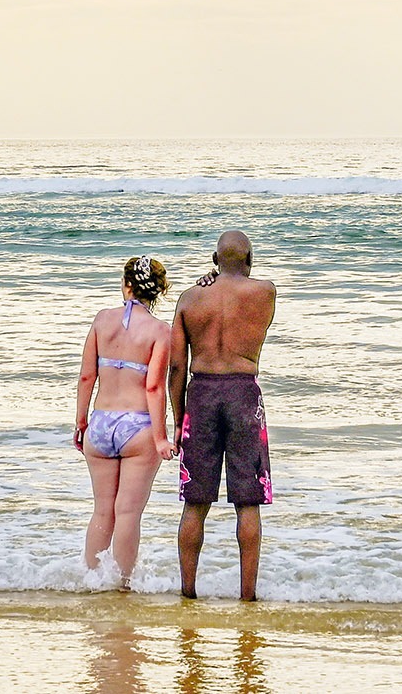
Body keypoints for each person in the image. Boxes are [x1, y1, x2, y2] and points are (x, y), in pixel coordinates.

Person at [171, 231, 277, 601]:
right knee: (248, 502)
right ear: (250, 259)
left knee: (194, 503)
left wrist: (177, 419)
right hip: (243, 394)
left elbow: (175, 368)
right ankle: (247, 597)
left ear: (213, 261)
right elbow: (239, 285)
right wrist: (224, 274)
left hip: (201, 393)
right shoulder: (265, 292)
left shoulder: (188, 298)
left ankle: (188, 593)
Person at [74, 255, 176, 589]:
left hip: (100, 423)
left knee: (103, 510)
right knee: (128, 513)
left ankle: (92, 582)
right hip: (137, 428)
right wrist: (161, 438)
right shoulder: (161, 331)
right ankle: (122, 586)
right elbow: (154, 386)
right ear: (157, 291)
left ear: (126, 285)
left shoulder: (102, 320)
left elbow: (87, 375)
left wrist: (81, 422)